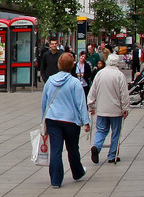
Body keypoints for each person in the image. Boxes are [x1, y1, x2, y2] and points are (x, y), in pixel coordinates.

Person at [42, 52, 89, 187]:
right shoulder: (75, 82)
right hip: (71, 121)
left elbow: (44, 103)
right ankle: (77, 172)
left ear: (58, 64)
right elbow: (81, 104)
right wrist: (86, 122)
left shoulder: (50, 81)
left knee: (56, 150)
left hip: (53, 119)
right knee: (73, 148)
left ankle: (56, 180)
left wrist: (43, 120)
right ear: (72, 66)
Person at [87, 52, 128, 165]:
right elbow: (124, 94)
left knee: (101, 130)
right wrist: (125, 108)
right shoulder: (119, 75)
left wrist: (91, 105)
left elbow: (93, 90)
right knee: (116, 132)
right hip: (116, 110)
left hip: (102, 109)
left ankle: (97, 146)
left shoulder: (100, 74)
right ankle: (112, 155)